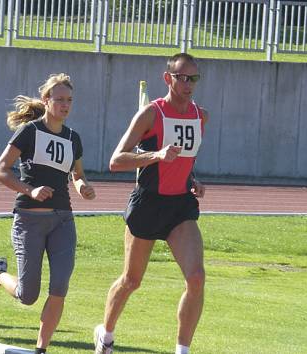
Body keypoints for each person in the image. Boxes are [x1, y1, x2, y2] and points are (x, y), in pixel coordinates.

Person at [93, 53, 209, 354]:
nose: (187, 84)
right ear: (167, 78)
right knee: (131, 281)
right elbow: (116, 160)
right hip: (148, 203)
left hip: (180, 207)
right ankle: (105, 333)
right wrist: (155, 155)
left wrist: (192, 178)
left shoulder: (200, 116)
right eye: (181, 77)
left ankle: (182, 350)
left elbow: (185, 157)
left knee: (196, 278)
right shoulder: (151, 114)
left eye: (192, 78)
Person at [0, 73, 95, 354]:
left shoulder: (73, 138)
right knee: (28, 295)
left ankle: (41, 348)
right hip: (29, 220)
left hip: (63, 219)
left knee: (60, 286)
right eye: (60, 100)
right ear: (46, 101)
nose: (65, 106)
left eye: (69, 101)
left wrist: (83, 187)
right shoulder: (30, 131)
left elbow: (77, 174)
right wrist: (29, 190)